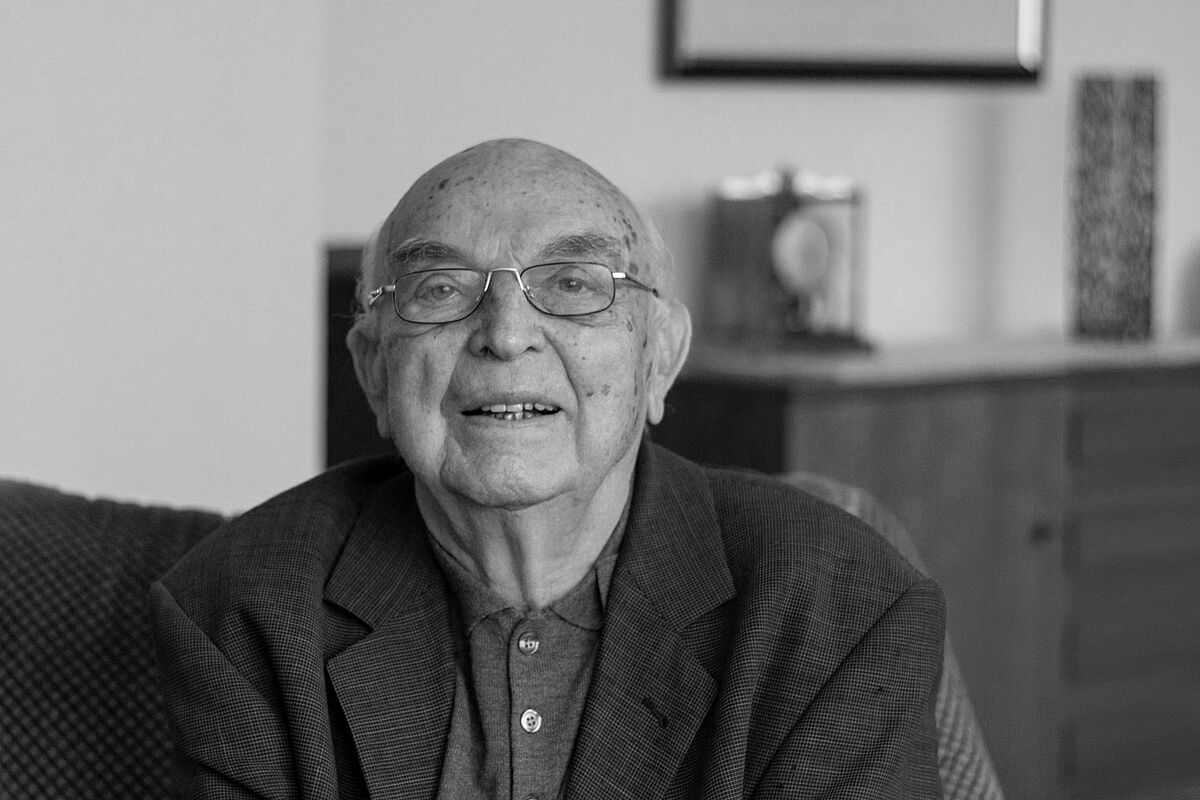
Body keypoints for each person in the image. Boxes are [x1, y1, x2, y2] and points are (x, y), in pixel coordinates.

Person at [152, 138, 945, 799]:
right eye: (440, 289)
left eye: (572, 284)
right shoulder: (249, 607)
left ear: (659, 358)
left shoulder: (837, 607)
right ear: (373, 370)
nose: (505, 334)